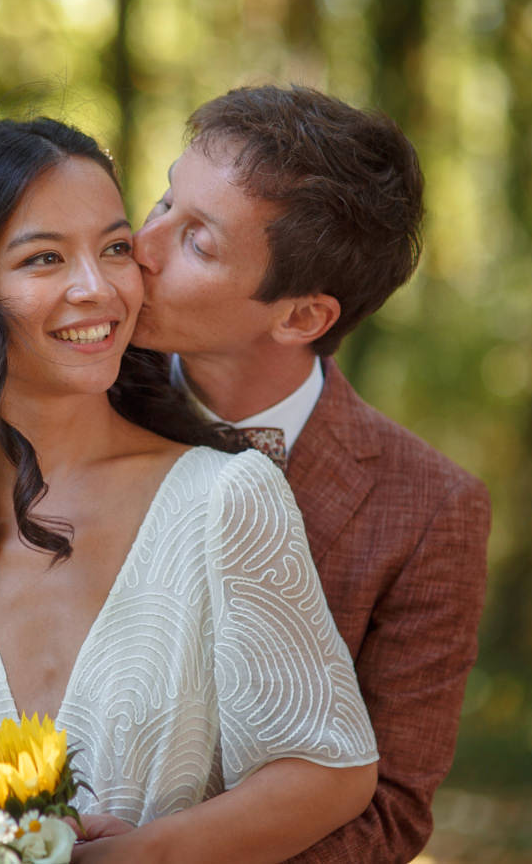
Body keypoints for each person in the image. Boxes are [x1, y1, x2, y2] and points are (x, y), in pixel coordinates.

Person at [0, 117, 379, 862]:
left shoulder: (228, 499)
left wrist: (136, 856)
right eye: (43, 259)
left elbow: (330, 770)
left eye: (116, 248)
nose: (96, 288)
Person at [127, 84, 492, 863]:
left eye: (197, 241)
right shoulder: (69, 398)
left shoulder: (433, 510)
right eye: (162, 202)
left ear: (300, 317)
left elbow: (390, 812)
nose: (141, 247)